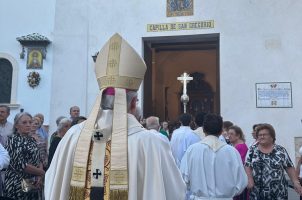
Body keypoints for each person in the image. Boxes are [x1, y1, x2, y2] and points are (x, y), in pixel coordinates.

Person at [45, 33, 186, 200]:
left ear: (100, 99)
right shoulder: (150, 143)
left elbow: (52, 183)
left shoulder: (72, 136)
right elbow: (175, 192)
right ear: (134, 103)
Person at [180, 113, 248, 199]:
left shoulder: (192, 150)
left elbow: (183, 178)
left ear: (203, 130)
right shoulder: (232, 152)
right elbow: (242, 181)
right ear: (221, 131)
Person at [245, 123, 302, 199]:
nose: (261, 137)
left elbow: (289, 167)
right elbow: (247, 165)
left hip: (279, 191)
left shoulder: (280, 150)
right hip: (258, 191)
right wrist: (250, 179)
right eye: (259, 135)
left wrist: (295, 182)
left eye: (264, 134)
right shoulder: (252, 150)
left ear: (272, 136)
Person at [4, 112, 45, 200]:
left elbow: (39, 159)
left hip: (33, 183)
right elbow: (21, 165)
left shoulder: (32, 140)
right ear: (16, 125)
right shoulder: (13, 140)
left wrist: (39, 176)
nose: (28, 125)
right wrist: (42, 173)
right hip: (16, 183)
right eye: (24, 122)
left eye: (30, 122)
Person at [228, 125, 249, 200]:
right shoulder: (236, 146)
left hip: (239, 181)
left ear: (238, 135)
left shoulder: (240, 147)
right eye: (228, 134)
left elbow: (238, 165)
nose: (229, 136)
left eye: (231, 134)